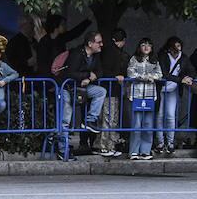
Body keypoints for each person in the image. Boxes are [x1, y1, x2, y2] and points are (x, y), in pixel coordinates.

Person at [60, 32, 107, 155]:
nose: (101, 44)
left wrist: (90, 78)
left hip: (82, 88)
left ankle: (89, 121)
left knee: (101, 91)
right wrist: (86, 75)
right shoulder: (77, 53)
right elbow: (70, 73)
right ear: (90, 43)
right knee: (66, 119)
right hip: (68, 88)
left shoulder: (96, 55)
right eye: (99, 42)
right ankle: (62, 149)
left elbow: (100, 72)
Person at [96, 29, 130, 158]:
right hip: (111, 90)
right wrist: (117, 76)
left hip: (106, 89)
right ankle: (105, 146)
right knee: (110, 118)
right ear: (122, 41)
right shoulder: (115, 53)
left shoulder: (105, 51)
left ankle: (101, 144)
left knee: (106, 117)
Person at [156, 36, 192, 156]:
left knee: (171, 115)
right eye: (175, 47)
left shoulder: (184, 57)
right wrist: (181, 79)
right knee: (160, 115)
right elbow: (165, 74)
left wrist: (189, 77)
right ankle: (160, 142)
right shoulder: (164, 57)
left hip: (173, 90)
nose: (177, 49)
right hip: (160, 89)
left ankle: (170, 143)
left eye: (179, 46)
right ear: (169, 48)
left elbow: (191, 70)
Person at [126, 37, 161, 160]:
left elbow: (159, 75)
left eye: (149, 45)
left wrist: (153, 77)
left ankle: (145, 151)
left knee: (148, 124)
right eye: (143, 45)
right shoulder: (134, 59)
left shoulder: (155, 61)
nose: (146, 47)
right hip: (136, 95)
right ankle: (134, 151)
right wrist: (146, 77)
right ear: (139, 47)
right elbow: (131, 73)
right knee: (136, 124)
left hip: (150, 95)